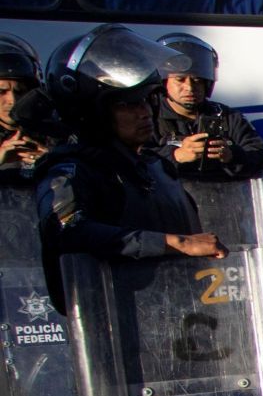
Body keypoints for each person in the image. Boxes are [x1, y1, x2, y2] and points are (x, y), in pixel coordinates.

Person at [34, 26, 226, 310]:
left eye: (147, 101)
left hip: (181, 320)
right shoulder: (71, 170)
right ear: (92, 112)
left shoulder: (155, 166)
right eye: (128, 105)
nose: (145, 112)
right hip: (115, 328)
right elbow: (69, 231)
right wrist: (175, 243)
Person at [149, 32, 263, 182]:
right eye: (180, 79)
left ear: (207, 83)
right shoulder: (148, 116)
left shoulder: (227, 117)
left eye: (197, 80)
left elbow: (259, 157)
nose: (189, 87)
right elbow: (135, 159)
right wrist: (175, 155)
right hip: (168, 202)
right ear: (163, 82)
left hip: (224, 200)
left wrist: (232, 156)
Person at [0, 34, 54, 186]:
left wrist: (52, 162)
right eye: (1, 92)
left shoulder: (56, 132)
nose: (12, 100)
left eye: (20, 91)